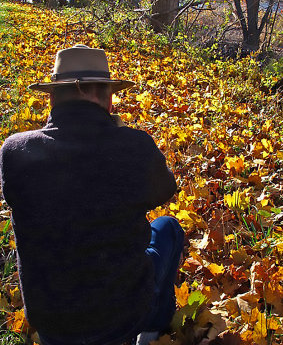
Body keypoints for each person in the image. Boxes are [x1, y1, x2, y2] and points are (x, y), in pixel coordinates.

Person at [0, 45, 184, 345]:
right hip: (122, 317)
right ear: (101, 95)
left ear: (52, 97)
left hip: (50, 321)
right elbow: (165, 189)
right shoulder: (134, 146)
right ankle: (151, 330)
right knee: (169, 229)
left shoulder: (15, 151)